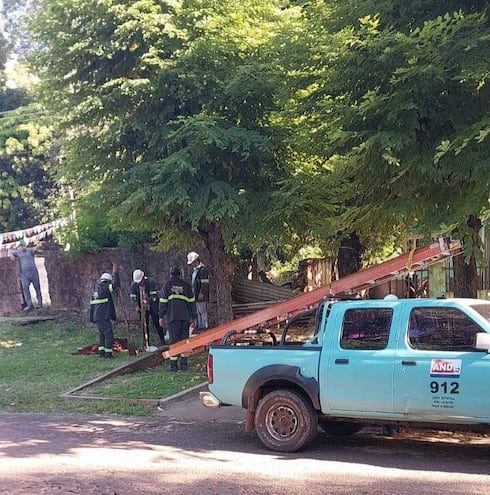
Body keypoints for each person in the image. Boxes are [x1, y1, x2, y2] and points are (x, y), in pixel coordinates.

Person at [159, 266, 197, 372]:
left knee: (174, 341)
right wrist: (194, 318)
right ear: (180, 274)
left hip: (172, 318)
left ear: (171, 274)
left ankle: (173, 365)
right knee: (185, 341)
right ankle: (184, 365)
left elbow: (163, 303)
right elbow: (192, 303)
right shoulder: (186, 286)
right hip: (185, 317)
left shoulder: (167, 286)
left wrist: (161, 317)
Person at [89, 264, 120, 359]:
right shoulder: (105, 287)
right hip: (103, 316)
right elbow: (115, 285)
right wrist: (116, 272)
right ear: (108, 281)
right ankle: (108, 354)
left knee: (102, 334)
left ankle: (102, 352)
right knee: (108, 334)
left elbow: (92, 306)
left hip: (96, 317)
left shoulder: (96, 289)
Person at [130, 269, 166, 347]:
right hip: (141, 308)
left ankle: (162, 340)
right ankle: (146, 343)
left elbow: (154, 297)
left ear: (143, 278)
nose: (140, 283)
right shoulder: (134, 285)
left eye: (141, 281)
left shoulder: (151, 283)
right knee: (144, 324)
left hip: (153, 306)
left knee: (157, 322)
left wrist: (147, 300)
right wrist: (136, 306)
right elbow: (133, 297)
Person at [9, 239, 43, 311]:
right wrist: (10, 251)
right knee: (25, 289)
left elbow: (35, 249)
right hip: (24, 274)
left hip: (33, 272)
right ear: (19, 247)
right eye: (21, 246)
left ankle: (40, 304)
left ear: (26, 245)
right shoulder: (18, 252)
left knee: (37, 288)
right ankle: (29, 305)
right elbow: (11, 253)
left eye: (23, 245)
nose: (22, 247)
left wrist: (39, 244)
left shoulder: (30, 250)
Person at [187, 251, 210, 332]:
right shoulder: (195, 271)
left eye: (192, 262)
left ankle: (204, 326)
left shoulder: (202, 270)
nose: (192, 264)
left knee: (202, 311)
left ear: (196, 260)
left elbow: (204, 283)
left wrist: (202, 292)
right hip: (195, 295)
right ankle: (200, 326)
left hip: (200, 295)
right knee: (198, 311)